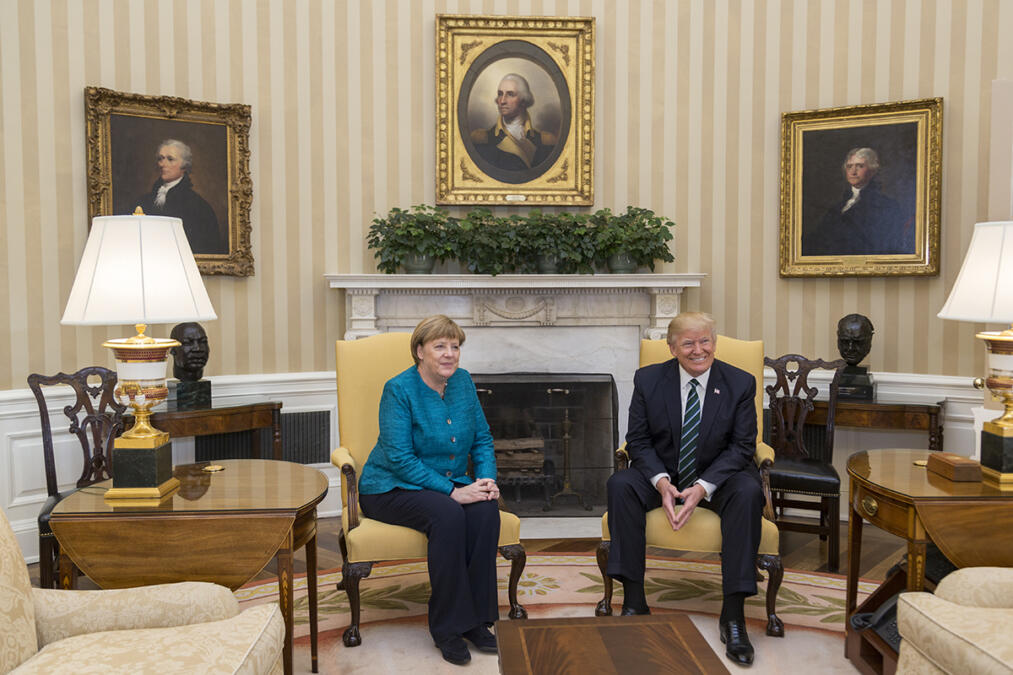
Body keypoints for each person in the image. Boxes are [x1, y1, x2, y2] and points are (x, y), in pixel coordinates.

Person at [606, 312, 763, 666]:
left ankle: (734, 615)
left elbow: (742, 446)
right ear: (672, 347)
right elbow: (638, 440)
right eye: (688, 343)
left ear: (715, 343)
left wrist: (702, 488)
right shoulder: (649, 380)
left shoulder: (740, 383)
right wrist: (661, 483)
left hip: (720, 476)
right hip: (664, 472)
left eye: (705, 341)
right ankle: (634, 602)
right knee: (620, 484)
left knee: (749, 492)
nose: (698, 350)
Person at [357, 315, 501, 666]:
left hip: (445, 483)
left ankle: (478, 621)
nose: (450, 354)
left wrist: (485, 480)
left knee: (484, 510)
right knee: (448, 514)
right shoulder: (399, 389)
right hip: (389, 487)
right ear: (420, 351)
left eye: (455, 347)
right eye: (440, 346)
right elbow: (400, 459)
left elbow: (482, 439)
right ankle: (448, 627)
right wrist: (452, 492)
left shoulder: (463, 382)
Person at [802, 147, 914, 256]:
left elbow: (886, 245)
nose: (853, 172)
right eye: (849, 166)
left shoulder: (887, 206)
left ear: (872, 170)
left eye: (860, 166)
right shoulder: (838, 207)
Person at [134, 139, 225, 254]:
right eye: (160, 158)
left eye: (170, 159)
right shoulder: (144, 201)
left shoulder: (199, 206)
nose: (162, 164)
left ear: (184, 166)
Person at [470, 73, 558, 173]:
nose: (502, 101)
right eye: (500, 94)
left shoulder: (546, 141)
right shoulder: (481, 139)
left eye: (510, 94)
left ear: (523, 101)